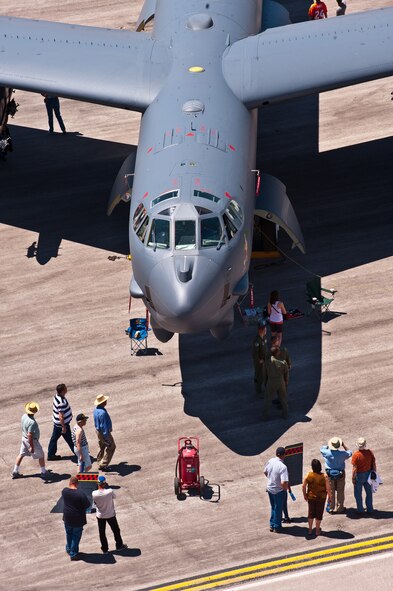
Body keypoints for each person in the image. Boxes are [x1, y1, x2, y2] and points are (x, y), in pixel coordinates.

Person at [12, 402, 49, 480]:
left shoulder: (24, 416)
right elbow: (30, 435)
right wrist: (31, 447)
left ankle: (15, 471)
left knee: (21, 454)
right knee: (41, 455)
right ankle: (43, 472)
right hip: (31, 441)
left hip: (24, 439)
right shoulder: (32, 422)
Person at [92, 475, 127, 553]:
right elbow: (114, 497)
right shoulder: (110, 491)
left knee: (102, 533)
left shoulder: (94, 493)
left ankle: (105, 549)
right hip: (110, 514)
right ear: (104, 484)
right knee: (116, 530)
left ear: (97, 484)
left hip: (100, 515)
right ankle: (119, 545)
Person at [320, 437, 352, 514]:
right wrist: (343, 445)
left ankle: (331, 507)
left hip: (330, 474)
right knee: (340, 491)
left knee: (331, 491)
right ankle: (340, 508)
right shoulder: (342, 454)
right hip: (340, 474)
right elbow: (349, 452)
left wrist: (328, 445)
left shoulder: (327, 452)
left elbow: (321, 449)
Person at [62, 475, 90, 560]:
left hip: (67, 517)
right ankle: (73, 553)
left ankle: (69, 548)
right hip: (78, 519)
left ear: (70, 482)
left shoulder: (64, 491)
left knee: (69, 533)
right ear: (77, 484)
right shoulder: (80, 494)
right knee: (76, 536)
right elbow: (87, 505)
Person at [302, 459, 331, 538]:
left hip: (311, 497)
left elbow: (303, 485)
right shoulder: (324, 476)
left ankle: (310, 530)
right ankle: (317, 530)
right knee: (319, 514)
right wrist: (330, 497)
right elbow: (328, 488)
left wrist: (305, 495)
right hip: (321, 498)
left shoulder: (309, 475)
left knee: (311, 513)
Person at [264, 447, 289, 532]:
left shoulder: (270, 461)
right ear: (284, 455)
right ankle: (277, 527)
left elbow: (265, 472)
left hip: (270, 488)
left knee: (273, 507)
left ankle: (272, 524)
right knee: (278, 508)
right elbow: (283, 482)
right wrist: (285, 490)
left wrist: (271, 479)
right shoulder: (283, 467)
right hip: (278, 490)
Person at [48, 383, 75, 460]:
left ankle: (51, 454)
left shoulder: (57, 396)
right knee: (70, 439)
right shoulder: (61, 402)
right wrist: (63, 427)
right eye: (65, 388)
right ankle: (79, 454)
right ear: (63, 391)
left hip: (57, 424)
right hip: (62, 425)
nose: (67, 389)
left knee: (54, 438)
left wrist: (69, 414)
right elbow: (61, 416)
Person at [351, 437, 377, 515]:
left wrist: (353, 478)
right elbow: (374, 464)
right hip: (368, 474)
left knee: (358, 494)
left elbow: (354, 468)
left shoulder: (356, 455)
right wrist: (374, 473)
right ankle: (370, 509)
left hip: (359, 475)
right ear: (365, 445)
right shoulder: (370, 452)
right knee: (369, 493)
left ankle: (360, 510)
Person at [262, 347, 289, 420]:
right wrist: (286, 381)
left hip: (271, 381)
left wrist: (265, 383)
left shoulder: (267, 363)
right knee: (283, 398)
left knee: (268, 399)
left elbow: (264, 374)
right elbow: (286, 372)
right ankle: (285, 414)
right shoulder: (283, 362)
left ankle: (265, 416)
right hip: (281, 381)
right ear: (278, 353)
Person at [94, 395, 116, 471]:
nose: (106, 401)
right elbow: (104, 426)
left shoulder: (96, 410)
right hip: (104, 433)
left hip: (98, 432)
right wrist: (107, 438)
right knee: (111, 447)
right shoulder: (103, 413)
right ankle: (104, 465)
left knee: (102, 447)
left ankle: (99, 461)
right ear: (103, 402)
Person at [252, 320, 268, 397]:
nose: (266, 330)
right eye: (264, 328)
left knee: (265, 375)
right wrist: (259, 361)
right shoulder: (257, 341)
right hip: (260, 362)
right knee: (259, 376)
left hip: (265, 360)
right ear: (260, 329)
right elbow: (255, 354)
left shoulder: (264, 337)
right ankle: (258, 391)